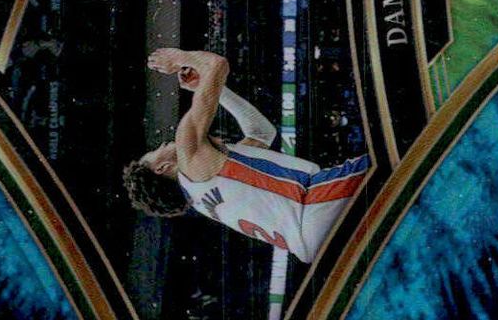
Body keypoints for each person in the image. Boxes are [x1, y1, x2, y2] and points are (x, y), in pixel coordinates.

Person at [123, 48, 370, 263]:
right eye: (155, 151)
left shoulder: (204, 193)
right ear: (162, 167)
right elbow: (217, 64)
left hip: (312, 246)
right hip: (315, 205)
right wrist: (180, 57)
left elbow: (262, 133)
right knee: (385, 157)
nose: (163, 144)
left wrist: (217, 91)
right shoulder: (188, 152)